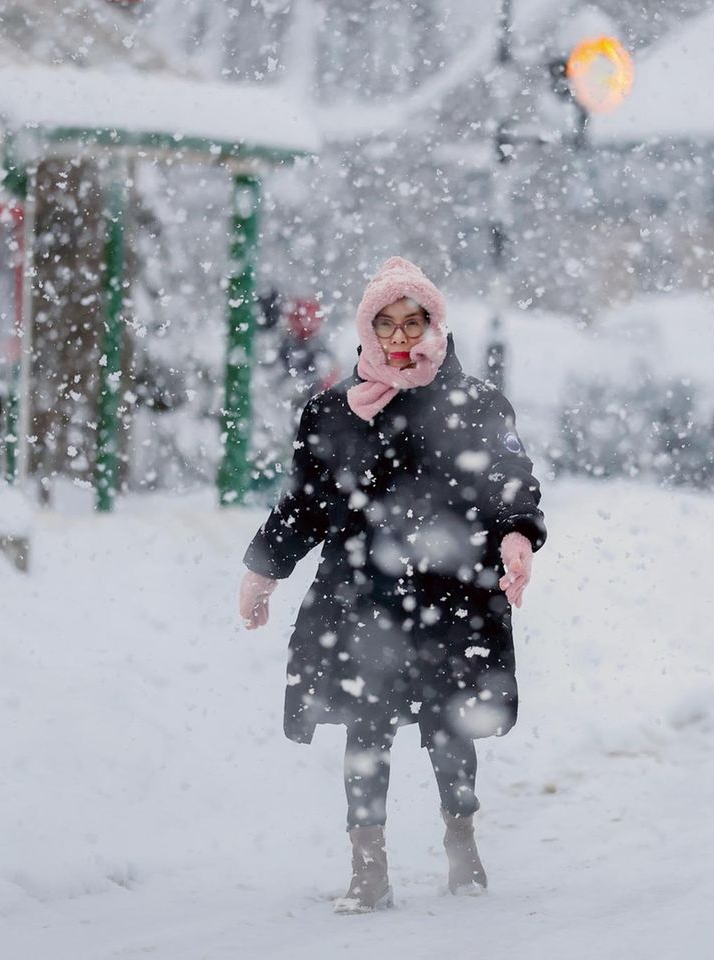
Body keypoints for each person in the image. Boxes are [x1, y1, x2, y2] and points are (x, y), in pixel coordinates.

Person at [238, 257, 547, 914]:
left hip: (453, 595)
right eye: (389, 324)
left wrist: (517, 534)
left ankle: (462, 843)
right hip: (360, 597)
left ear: (436, 325)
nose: (403, 337)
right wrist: (263, 569)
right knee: (365, 726)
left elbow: (510, 484)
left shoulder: (476, 405)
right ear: (368, 331)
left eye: (415, 321)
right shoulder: (333, 413)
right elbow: (305, 505)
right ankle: (367, 867)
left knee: (450, 725)